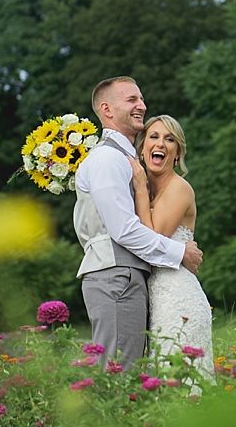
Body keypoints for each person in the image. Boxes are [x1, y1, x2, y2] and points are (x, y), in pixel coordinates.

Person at [73, 76, 203, 371]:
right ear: (106, 109)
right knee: (120, 374)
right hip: (117, 275)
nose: (141, 106)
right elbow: (124, 230)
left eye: (141, 99)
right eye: (132, 100)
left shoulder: (128, 162)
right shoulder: (108, 159)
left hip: (131, 277)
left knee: (129, 373)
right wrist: (179, 252)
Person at [127, 114, 215, 386]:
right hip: (155, 298)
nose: (161, 144)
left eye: (169, 139)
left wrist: (140, 188)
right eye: (154, 137)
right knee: (162, 385)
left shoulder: (179, 189)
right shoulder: (145, 190)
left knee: (181, 384)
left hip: (179, 300)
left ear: (177, 153)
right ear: (142, 147)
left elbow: (152, 237)